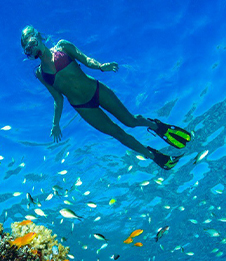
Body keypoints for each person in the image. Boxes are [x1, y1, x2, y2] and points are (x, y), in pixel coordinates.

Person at [20, 25, 191, 169]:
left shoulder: (62, 47)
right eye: (28, 49)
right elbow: (58, 98)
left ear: (38, 37)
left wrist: (101, 66)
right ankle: (151, 155)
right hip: (83, 107)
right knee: (117, 133)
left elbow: (86, 59)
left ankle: (155, 126)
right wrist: (55, 123)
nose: (33, 49)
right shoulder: (41, 73)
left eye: (33, 43)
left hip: (96, 90)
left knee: (130, 121)